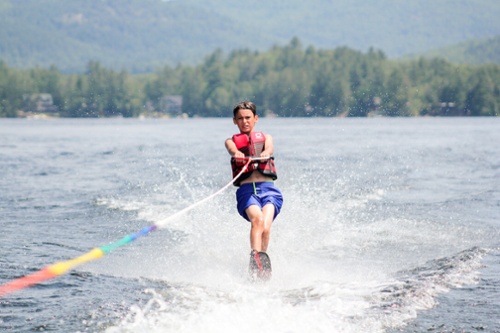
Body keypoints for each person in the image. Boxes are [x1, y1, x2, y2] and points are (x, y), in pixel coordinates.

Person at [224, 101, 283, 276]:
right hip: (247, 191)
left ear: (255, 118)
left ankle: (262, 262)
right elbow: (231, 149)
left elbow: (270, 147)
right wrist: (237, 154)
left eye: (248, 118)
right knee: (257, 220)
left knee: (265, 226)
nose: (245, 121)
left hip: (269, 191)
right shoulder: (230, 141)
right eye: (240, 118)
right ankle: (255, 258)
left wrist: (265, 152)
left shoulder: (266, 138)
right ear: (235, 121)